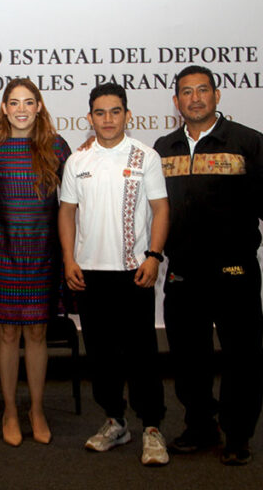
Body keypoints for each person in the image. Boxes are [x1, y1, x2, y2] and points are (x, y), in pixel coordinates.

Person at [154, 65, 263, 465]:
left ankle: (237, 435)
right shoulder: (163, 149)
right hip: (182, 272)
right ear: (176, 100)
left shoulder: (249, 142)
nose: (194, 98)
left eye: (202, 90)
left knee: (241, 356)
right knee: (188, 357)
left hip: (234, 270)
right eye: (186, 91)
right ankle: (200, 426)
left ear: (217, 96)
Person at [58, 83, 170, 466]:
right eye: (100, 113)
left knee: (142, 353)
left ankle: (152, 427)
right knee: (101, 355)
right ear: (89, 118)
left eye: (115, 111)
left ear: (127, 114)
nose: (108, 119)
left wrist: (153, 256)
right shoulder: (77, 161)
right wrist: (69, 260)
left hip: (134, 272)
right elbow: (66, 213)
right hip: (89, 275)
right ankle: (115, 422)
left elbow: (161, 209)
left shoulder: (146, 157)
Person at [0, 78, 71, 446]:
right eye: (14, 103)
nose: (21, 110)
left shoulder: (57, 146)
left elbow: (74, 201)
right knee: (8, 332)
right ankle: (11, 410)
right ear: (4, 108)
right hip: (2, 248)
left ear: (39, 106)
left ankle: (37, 409)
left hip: (44, 250)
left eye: (29, 102)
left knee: (37, 332)